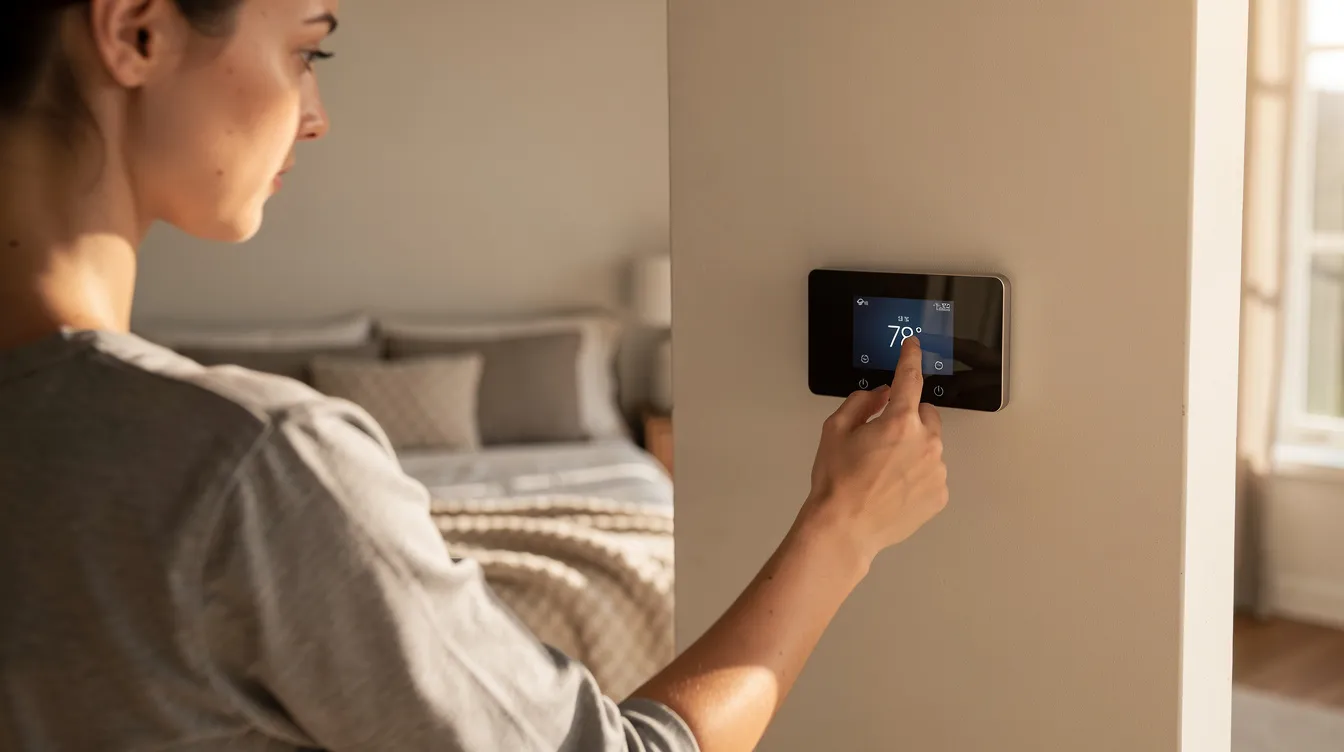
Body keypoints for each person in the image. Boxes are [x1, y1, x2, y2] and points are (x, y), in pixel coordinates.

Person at [0, 1, 950, 750]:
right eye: (306, 50)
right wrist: (841, 531)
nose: (317, 117)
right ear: (138, 29)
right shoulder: (253, 467)